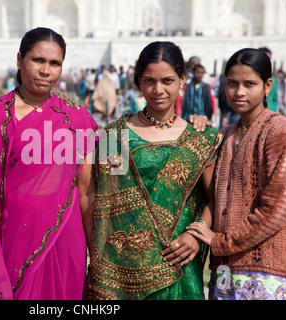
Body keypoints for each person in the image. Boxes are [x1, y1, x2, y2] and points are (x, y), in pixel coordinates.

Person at [0, 27, 98, 300]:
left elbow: (87, 192)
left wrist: (98, 254)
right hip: (14, 244)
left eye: (54, 63)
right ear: (19, 60)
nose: (45, 71)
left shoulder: (78, 118)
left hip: (67, 242)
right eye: (38, 60)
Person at [87, 41, 223, 300]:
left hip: (180, 261)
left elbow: (213, 198)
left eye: (168, 80)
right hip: (122, 270)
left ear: (182, 80)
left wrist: (196, 234)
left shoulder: (200, 137)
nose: (158, 90)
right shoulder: (115, 135)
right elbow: (104, 204)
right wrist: (98, 259)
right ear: (139, 81)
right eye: (149, 80)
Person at [187, 48, 286, 300]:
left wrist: (222, 242)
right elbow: (213, 194)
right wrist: (199, 126)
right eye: (232, 84)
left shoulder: (279, 129)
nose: (239, 92)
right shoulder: (227, 135)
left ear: (267, 86)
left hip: (265, 273)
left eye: (249, 84)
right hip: (226, 270)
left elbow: (278, 207)